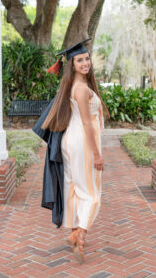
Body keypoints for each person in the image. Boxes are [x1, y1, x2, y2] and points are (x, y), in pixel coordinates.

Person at [41, 38, 110, 263]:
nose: (85, 63)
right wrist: (97, 154)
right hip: (82, 144)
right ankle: (80, 233)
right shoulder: (80, 89)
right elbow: (87, 124)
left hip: (71, 142)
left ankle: (73, 230)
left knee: (72, 187)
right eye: (79, 60)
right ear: (72, 64)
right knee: (91, 192)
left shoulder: (75, 86)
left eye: (87, 58)